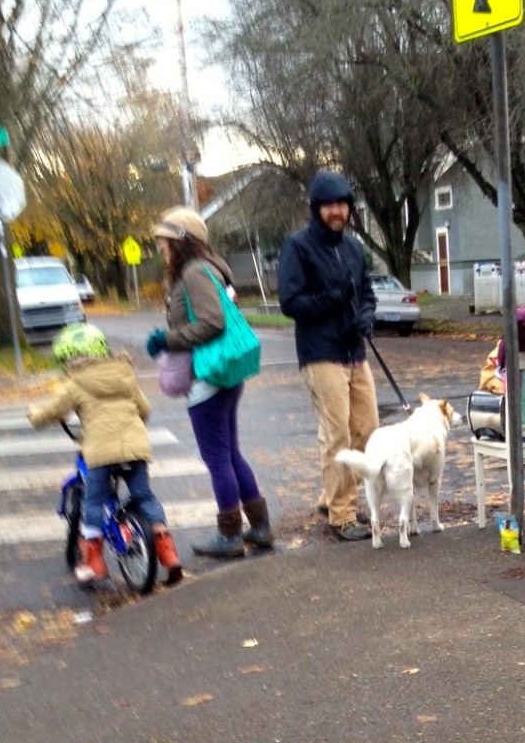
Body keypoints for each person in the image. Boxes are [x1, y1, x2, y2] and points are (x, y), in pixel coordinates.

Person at [145, 207, 273, 558]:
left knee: (218, 458)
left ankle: (230, 536)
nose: (160, 246)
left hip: (209, 376)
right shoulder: (211, 270)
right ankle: (259, 527)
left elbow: (212, 322)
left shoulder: (194, 273)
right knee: (230, 453)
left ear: (181, 242)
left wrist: (167, 341)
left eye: (164, 240)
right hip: (226, 375)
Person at [28, 323, 183, 586]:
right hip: (134, 448)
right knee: (144, 496)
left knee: (93, 501)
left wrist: (34, 414)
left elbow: (53, 411)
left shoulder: (76, 382)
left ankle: (94, 562)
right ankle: (168, 554)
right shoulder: (123, 373)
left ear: (70, 357)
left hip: (100, 451)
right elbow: (144, 409)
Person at [278, 171, 379, 542]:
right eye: (329, 205)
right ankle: (342, 515)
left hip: (354, 350)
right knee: (337, 434)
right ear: (317, 208)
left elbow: (366, 291)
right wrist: (333, 298)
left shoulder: (353, 247)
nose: (336, 211)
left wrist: (366, 315)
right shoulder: (299, 247)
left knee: (366, 430)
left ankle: (330, 496)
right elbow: (291, 303)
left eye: (342, 204)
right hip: (320, 352)